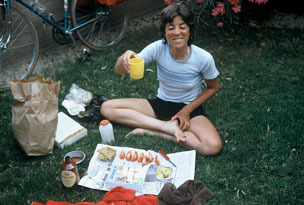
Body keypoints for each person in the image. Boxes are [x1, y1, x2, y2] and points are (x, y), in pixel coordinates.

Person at [101, 3, 222, 155]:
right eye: (171, 27)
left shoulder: (203, 58)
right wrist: (125, 57)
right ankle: (166, 127)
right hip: (161, 103)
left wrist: (186, 110)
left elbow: (212, 88)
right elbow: (120, 70)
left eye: (182, 26)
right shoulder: (158, 48)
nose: (176, 32)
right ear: (164, 32)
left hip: (189, 108)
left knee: (212, 146)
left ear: (190, 30)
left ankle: (155, 131)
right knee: (107, 107)